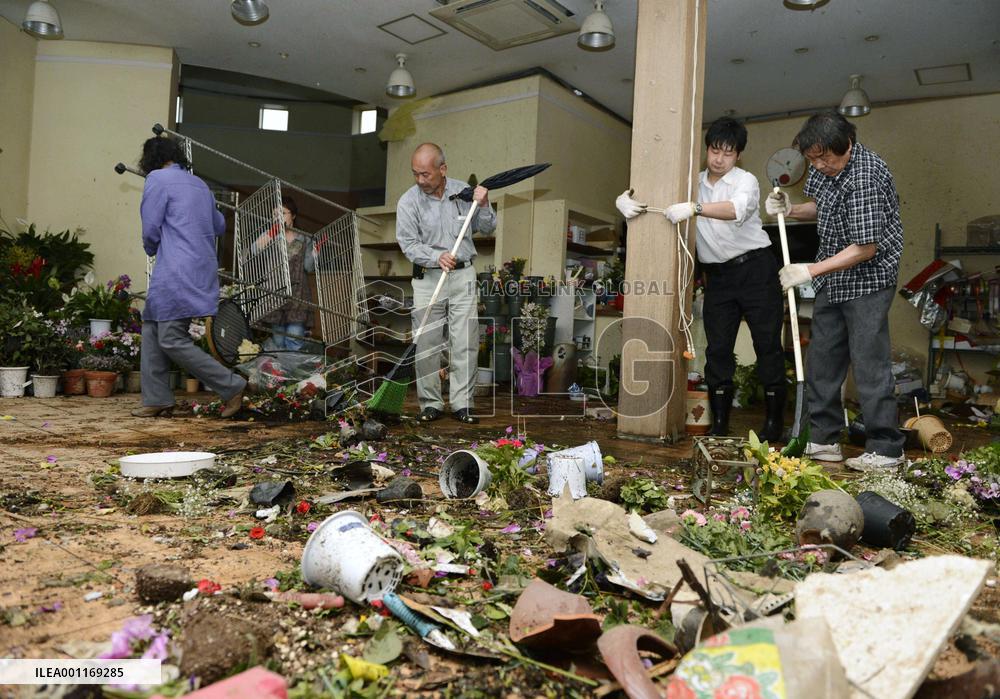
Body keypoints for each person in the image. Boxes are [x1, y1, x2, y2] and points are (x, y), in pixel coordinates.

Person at [616, 117, 785, 440]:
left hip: (756, 271)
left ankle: (774, 425)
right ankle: (719, 424)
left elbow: (736, 209)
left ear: (738, 156)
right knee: (718, 349)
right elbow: (656, 200)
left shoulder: (745, 181)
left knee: (767, 346)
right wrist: (623, 201)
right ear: (707, 149)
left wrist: (694, 208)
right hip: (718, 277)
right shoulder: (691, 181)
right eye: (715, 150)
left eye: (728, 153)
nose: (720, 159)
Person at [766, 111, 904, 470]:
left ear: (848, 145)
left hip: (869, 279)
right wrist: (791, 208)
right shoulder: (822, 166)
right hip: (834, 278)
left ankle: (886, 447)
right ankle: (824, 439)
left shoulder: (866, 175)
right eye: (813, 158)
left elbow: (864, 248)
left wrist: (808, 270)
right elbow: (822, 207)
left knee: (868, 361)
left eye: (827, 157)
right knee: (823, 360)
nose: (820, 164)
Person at [132, 135, 246, 418]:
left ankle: (231, 385)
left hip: (175, 270)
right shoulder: (200, 185)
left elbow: (150, 229)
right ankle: (157, 397)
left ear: (151, 160)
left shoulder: (157, 179)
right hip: (201, 269)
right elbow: (219, 225)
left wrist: (151, 247)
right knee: (151, 327)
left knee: (171, 337)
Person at [396, 143, 494, 424]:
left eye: (425, 174)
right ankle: (431, 403)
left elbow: (487, 227)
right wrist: (435, 256)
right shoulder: (408, 202)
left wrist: (484, 204)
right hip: (428, 279)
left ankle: (463, 403)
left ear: (442, 169)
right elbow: (408, 243)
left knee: (464, 341)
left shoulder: (464, 193)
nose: (420, 180)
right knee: (427, 343)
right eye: (415, 173)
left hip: (463, 276)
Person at [251, 196, 316, 350]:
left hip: (298, 296)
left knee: (294, 341)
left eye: (283, 213)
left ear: (293, 215)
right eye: (275, 214)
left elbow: (308, 267)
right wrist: (272, 232)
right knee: (279, 342)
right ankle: (281, 372)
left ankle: (293, 373)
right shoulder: (270, 236)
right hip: (276, 294)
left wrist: (316, 252)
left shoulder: (304, 239)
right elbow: (254, 250)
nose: (278, 217)